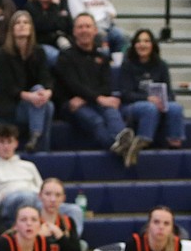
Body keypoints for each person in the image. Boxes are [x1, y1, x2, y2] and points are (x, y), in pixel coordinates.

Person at [54, 13, 136, 160]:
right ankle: (121, 147)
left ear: (95, 30)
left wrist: (92, 99)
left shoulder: (102, 56)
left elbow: (106, 86)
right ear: (74, 31)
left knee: (112, 112)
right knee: (96, 121)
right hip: (71, 105)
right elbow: (72, 85)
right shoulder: (65, 56)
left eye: (88, 26)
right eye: (80, 27)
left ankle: (122, 142)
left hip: (90, 101)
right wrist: (98, 98)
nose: (84, 30)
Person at [0, 123, 86, 228]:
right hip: (8, 203)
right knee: (25, 196)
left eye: (9, 142)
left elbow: (42, 189)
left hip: (36, 200)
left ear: (16, 143)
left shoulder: (28, 166)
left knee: (74, 210)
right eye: (2, 142)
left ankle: (71, 243)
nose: (6, 146)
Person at [116, 28, 186, 161]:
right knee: (149, 108)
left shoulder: (161, 65)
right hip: (131, 106)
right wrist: (147, 99)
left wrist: (164, 101)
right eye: (139, 41)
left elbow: (170, 93)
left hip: (157, 104)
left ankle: (175, 145)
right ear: (134, 45)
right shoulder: (127, 65)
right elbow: (125, 94)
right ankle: (142, 144)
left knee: (176, 107)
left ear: (152, 44)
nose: (142, 45)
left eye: (146, 41)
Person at [0, 11, 55, 152]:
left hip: (33, 103)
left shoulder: (39, 52)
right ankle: (40, 145)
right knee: (47, 107)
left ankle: (35, 139)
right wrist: (30, 96)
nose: (22, 26)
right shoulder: (3, 53)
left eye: (25, 22)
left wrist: (48, 92)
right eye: (18, 23)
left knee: (46, 102)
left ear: (31, 27)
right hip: (13, 106)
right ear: (12, 28)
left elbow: (46, 78)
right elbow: (8, 87)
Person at [28, 0, 73, 67]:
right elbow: (43, 26)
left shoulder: (61, 5)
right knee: (59, 57)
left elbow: (68, 26)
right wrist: (55, 8)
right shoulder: (30, 7)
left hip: (62, 42)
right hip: (41, 45)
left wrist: (64, 2)